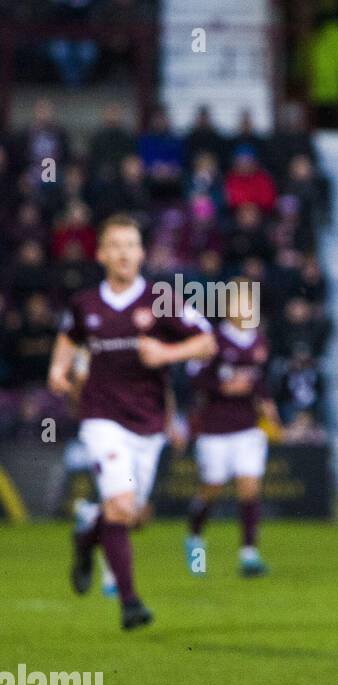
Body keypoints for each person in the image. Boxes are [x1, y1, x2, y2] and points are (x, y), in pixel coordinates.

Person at [47, 215, 217, 629]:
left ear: (142, 253)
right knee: (122, 507)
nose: (124, 253)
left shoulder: (161, 298)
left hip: (149, 423)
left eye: (132, 244)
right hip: (101, 418)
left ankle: (87, 538)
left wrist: (167, 354)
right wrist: (58, 369)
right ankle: (130, 604)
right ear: (101, 253)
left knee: (132, 516)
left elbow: (207, 341)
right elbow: (69, 336)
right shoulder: (85, 303)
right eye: (116, 245)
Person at [185, 281, 278, 577]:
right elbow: (194, 378)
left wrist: (266, 402)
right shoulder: (212, 340)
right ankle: (195, 537)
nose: (246, 309)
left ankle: (249, 554)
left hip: (247, 427)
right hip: (215, 428)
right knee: (211, 488)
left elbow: (259, 379)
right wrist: (222, 387)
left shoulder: (259, 341)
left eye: (250, 304)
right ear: (227, 307)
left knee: (249, 487)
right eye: (240, 303)